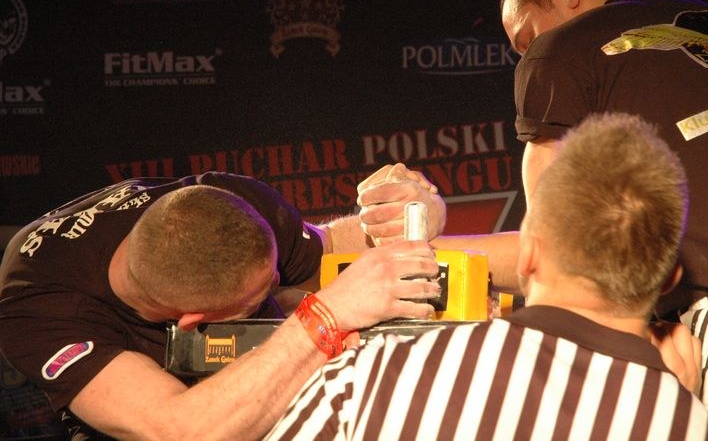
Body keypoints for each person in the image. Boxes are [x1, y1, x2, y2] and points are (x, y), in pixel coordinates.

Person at [489, 0, 708, 440]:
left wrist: (415, 255)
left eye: (526, 38)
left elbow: (555, 254)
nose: (527, 55)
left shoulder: (563, 49)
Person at [267, 112, 708, 441]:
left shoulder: (374, 375)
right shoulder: (694, 427)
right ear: (669, 278)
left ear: (528, 254)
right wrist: (681, 403)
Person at [0, 166, 445, 440]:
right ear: (193, 320)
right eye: (261, 295)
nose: (279, 282)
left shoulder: (233, 205)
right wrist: (323, 317)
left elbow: (331, 247)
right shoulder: (38, 306)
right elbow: (179, 429)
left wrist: (414, 213)